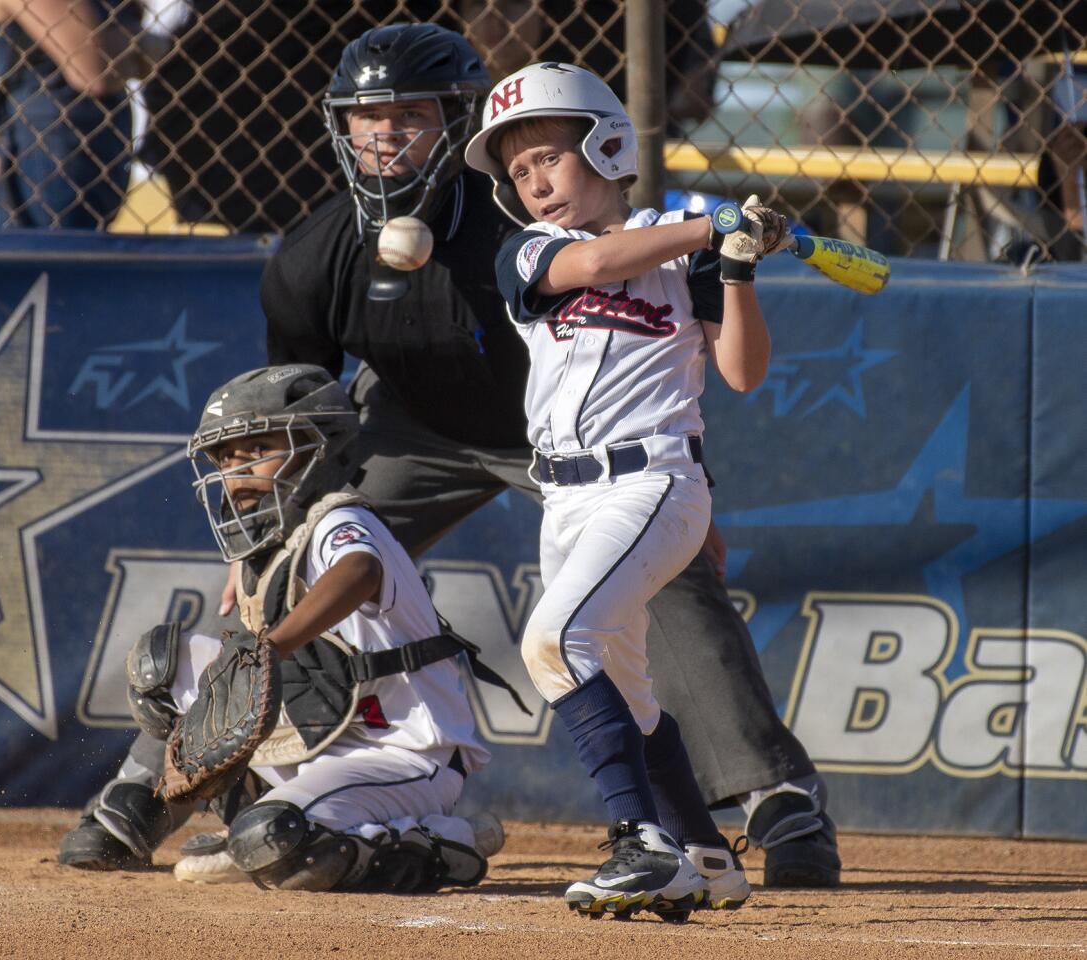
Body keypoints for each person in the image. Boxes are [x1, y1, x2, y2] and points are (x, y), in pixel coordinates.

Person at [59, 22, 840, 893]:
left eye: (410, 115)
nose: (383, 135)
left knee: (672, 580)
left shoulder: (519, 223)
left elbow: (660, 373)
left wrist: (698, 496)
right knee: (285, 574)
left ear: (458, 122)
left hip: (552, 440)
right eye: (365, 118)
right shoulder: (318, 254)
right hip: (412, 429)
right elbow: (294, 413)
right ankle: (149, 782)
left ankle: (776, 796)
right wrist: (260, 554)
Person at [464, 60, 789, 917]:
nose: (534, 182)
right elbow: (602, 260)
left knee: (554, 643)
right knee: (631, 693)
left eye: (549, 159)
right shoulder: (531, 252)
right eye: (519, 170)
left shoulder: (690, 248)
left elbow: (743, 373)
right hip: (564, 501)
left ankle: (640, 843)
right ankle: (709, 858)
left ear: (608, 144)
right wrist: (710, 225)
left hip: (654, 481)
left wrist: (739, 263)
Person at [122, 364, 504, 892]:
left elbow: (359, 570)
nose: (237, 471)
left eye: (256, 450)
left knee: (276, 837)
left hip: (404, 751)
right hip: (320, 743)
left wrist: (270, 647)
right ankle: (251, 830)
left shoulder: (337, 519)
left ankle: (442, 837)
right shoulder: (272, 538)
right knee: (162, 665)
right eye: (227, 458)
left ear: (316, 448)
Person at [0, 0, 138, 228]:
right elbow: (93, 68)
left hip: (74, 162)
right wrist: (148, 45)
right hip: (35, 169)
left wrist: (124, 45)